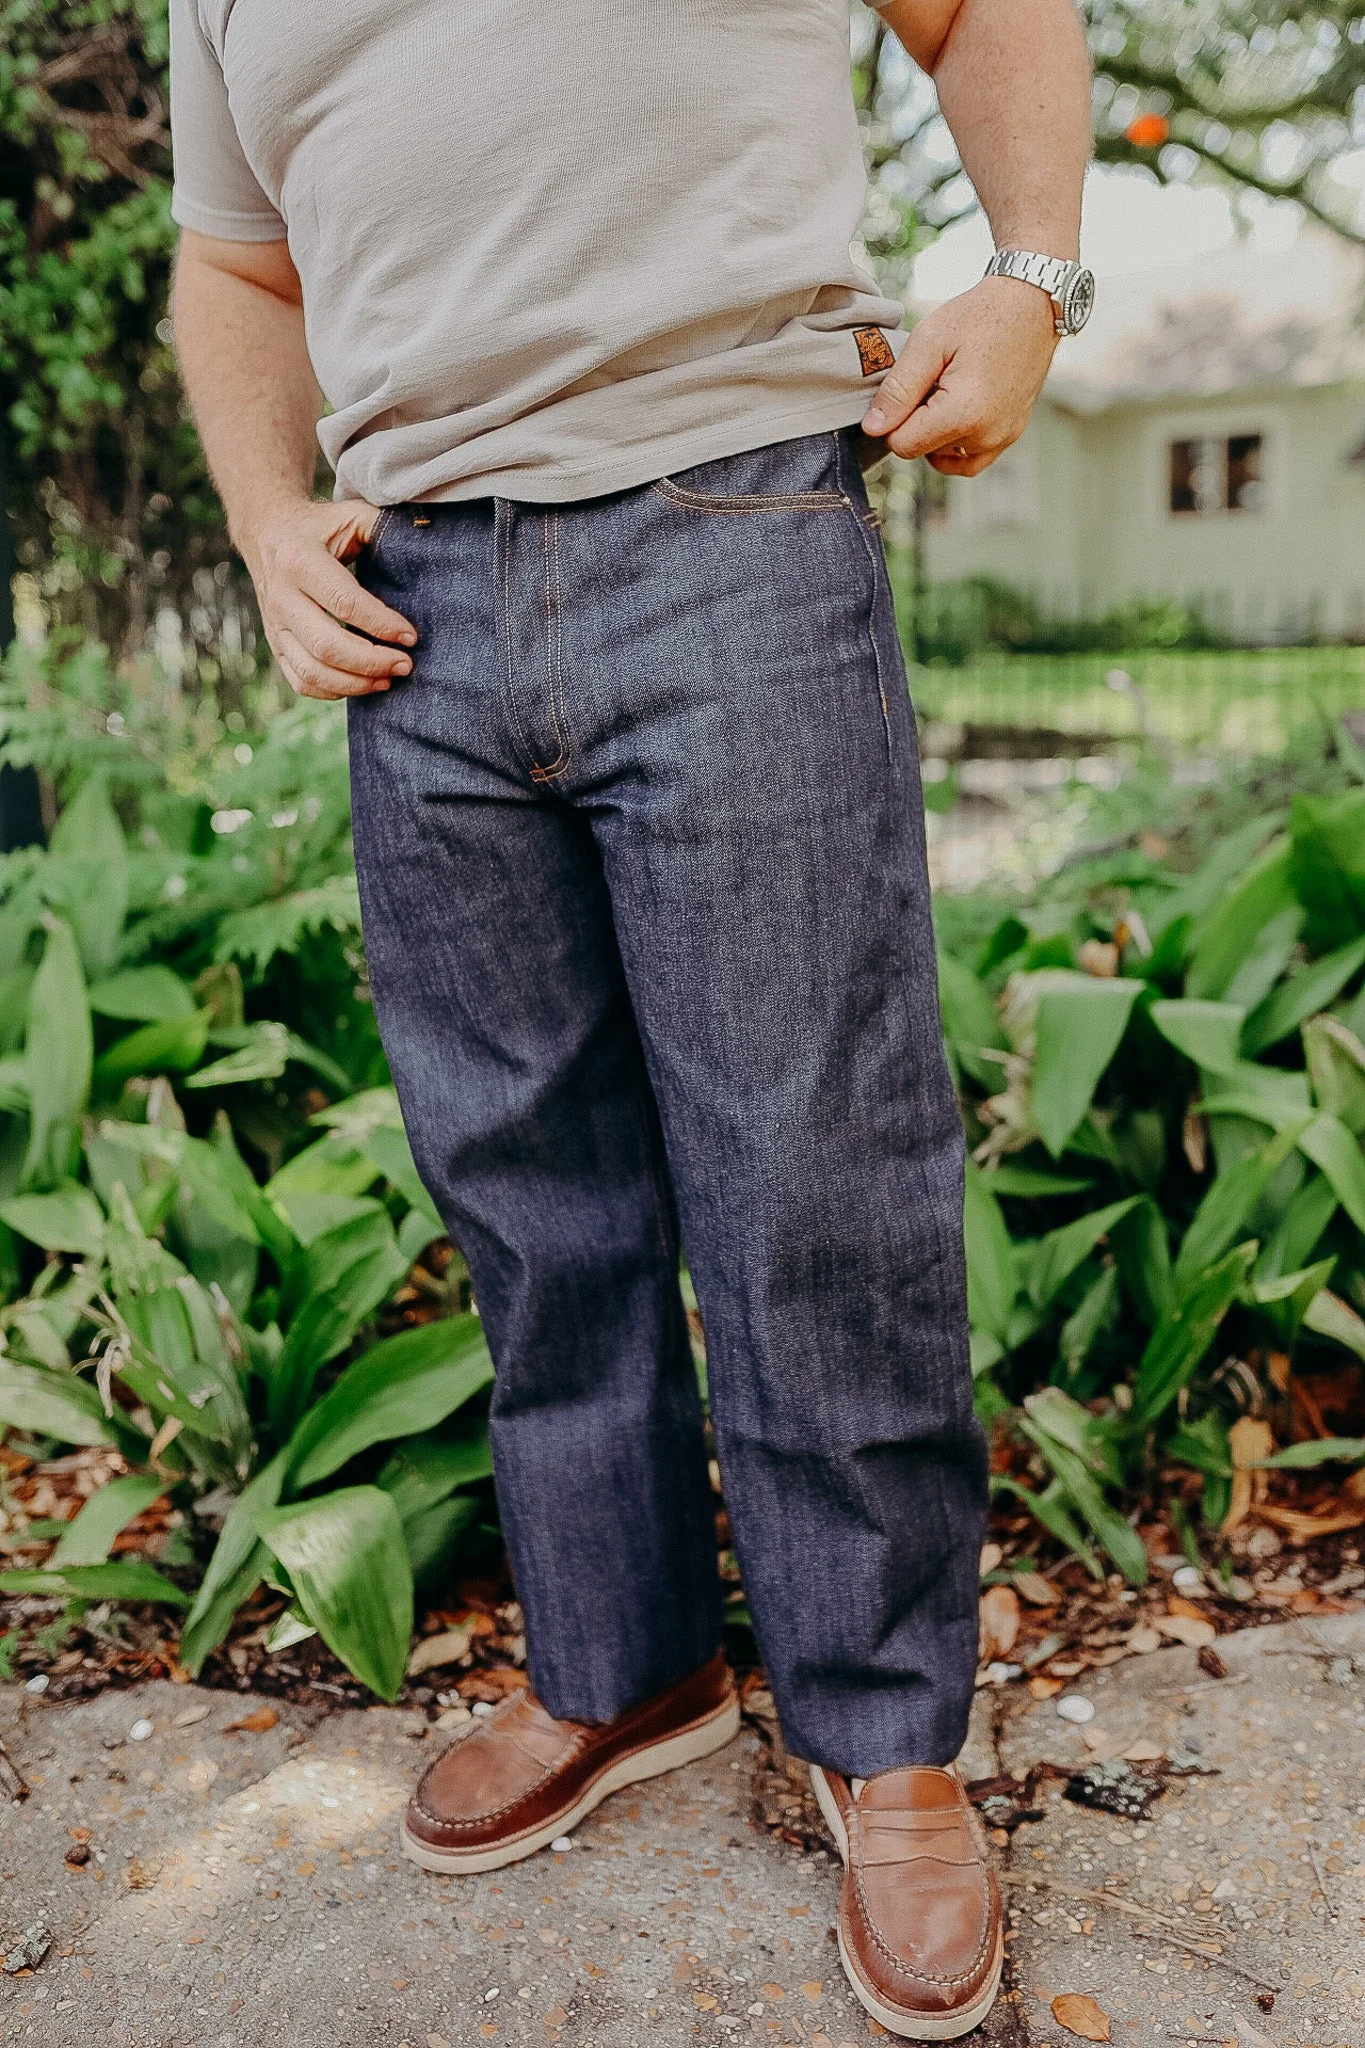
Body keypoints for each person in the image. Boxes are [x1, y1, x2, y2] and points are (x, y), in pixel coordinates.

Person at [169, 1, 1091, 2033]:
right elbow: (238, 266)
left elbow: (985, 14)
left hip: (734, 529)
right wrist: (260, 516)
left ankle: (884, 1736)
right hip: (412, 602)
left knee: (814, 1174)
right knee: (527, 1187)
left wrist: (1031, 274)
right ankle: (625, 1665)